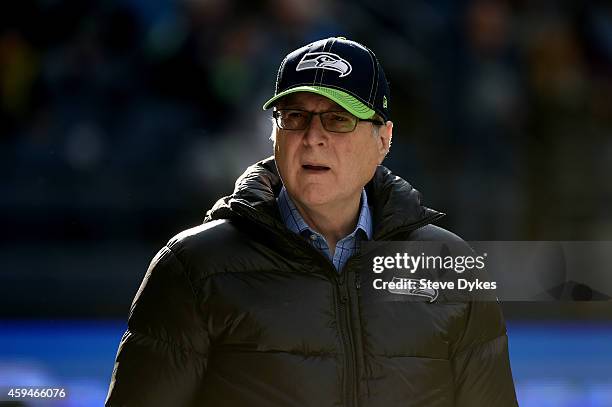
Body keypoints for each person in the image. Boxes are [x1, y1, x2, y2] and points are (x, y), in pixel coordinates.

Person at [106, 37, 518, 406]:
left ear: (384, 139)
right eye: (295, 117)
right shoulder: (192, 268)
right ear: (275, 134)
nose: (312, 136)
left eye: (338, 119)